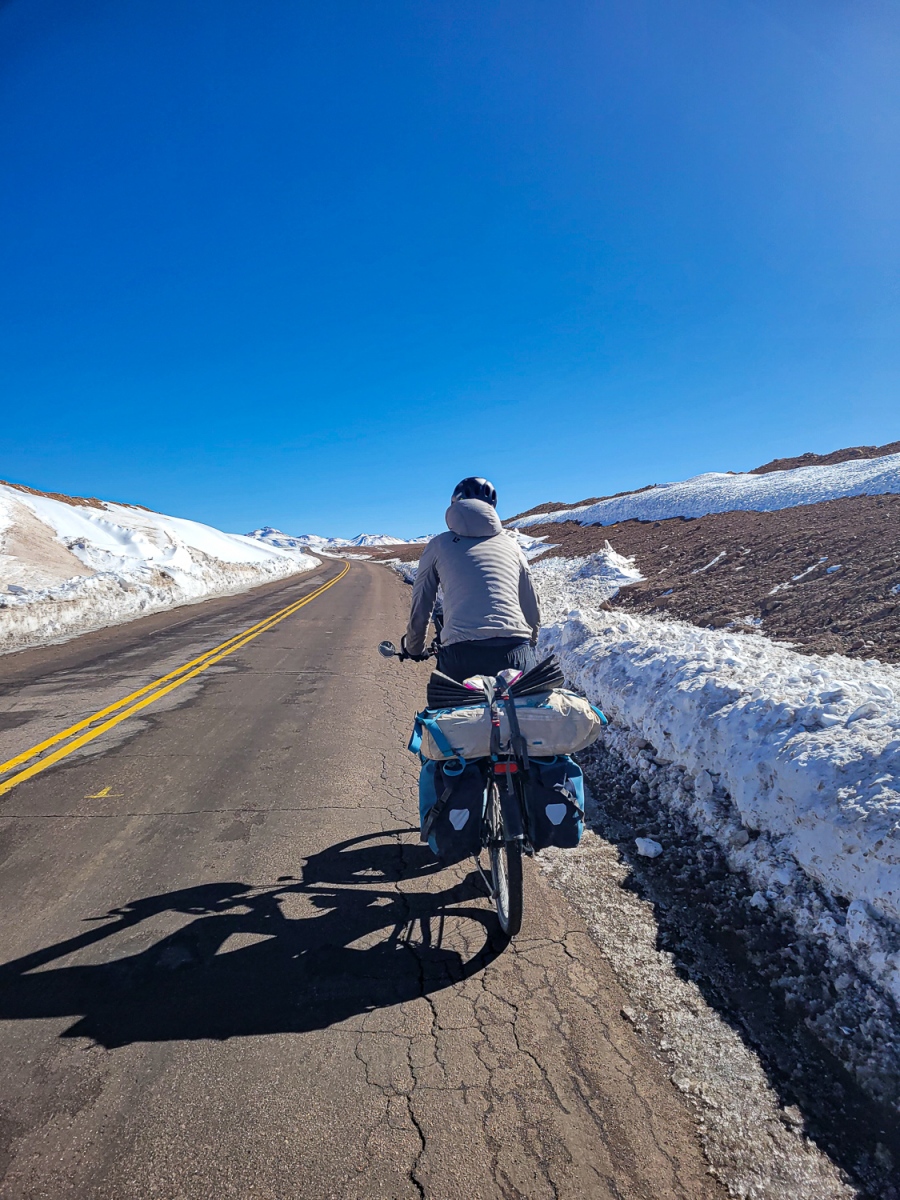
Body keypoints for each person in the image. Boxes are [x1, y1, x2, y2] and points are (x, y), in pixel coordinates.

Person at [404, 477, 541, 681]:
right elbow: (530, 602)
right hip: (516, 653)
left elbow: (422, 600)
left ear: (455, 505)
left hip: (461, 655)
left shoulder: (438, 544)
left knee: (445, 700)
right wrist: (531, 642)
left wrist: (414, 648)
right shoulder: (512, 545)